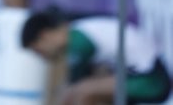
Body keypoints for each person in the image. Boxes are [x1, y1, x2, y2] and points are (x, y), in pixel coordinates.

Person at [21, 11, 170, 105]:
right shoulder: (79, 32)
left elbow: (73, 88)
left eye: (38, 51)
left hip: (152, 80)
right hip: (139, 76)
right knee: (84, 89)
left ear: (44, 36)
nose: (42, 57)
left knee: (81, 91)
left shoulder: (78, 40)